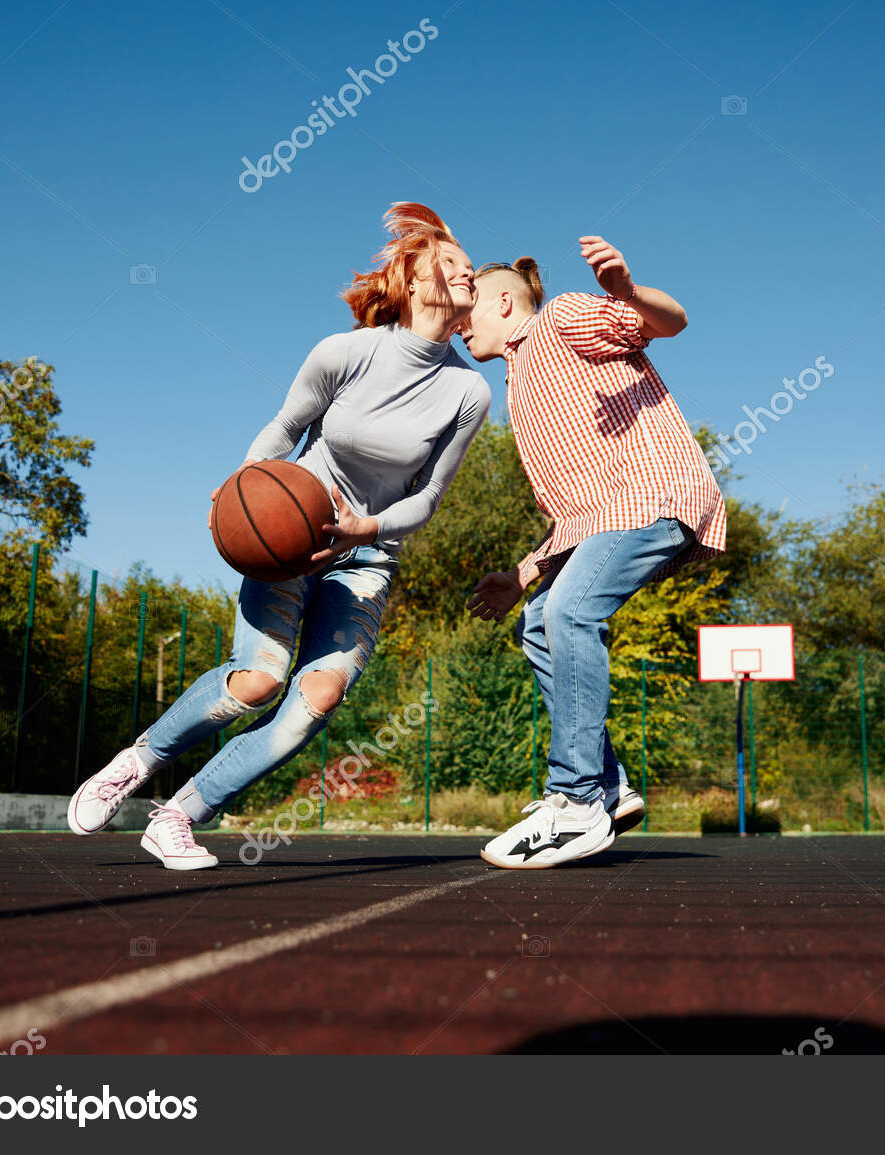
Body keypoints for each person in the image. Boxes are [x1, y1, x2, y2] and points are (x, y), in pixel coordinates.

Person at [67, 203, 491, 869]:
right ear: (412, 278)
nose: (470, 276)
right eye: (456, 266)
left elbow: (429, 497)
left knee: (317, 696)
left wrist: (366, 528)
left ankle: (180, 813)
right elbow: (282, 429)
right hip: (287, 538)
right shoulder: (343, 352)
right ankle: (137, 761)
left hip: (366, 554)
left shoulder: (469, 391)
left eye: (472, 270)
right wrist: (242, 483)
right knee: (259, 681)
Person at [459, 238, 725, 868]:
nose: (456, 326)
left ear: (502, 302)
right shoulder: (520, 380)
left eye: (465, 309)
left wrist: (628, 290)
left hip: (653, 496)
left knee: (570, 614)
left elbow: (671, 321)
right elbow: (581, 514)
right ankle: (607, 784)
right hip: (610, 515)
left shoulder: (559, 319)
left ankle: (575, 802)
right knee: (539, 623)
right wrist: (523, 577)